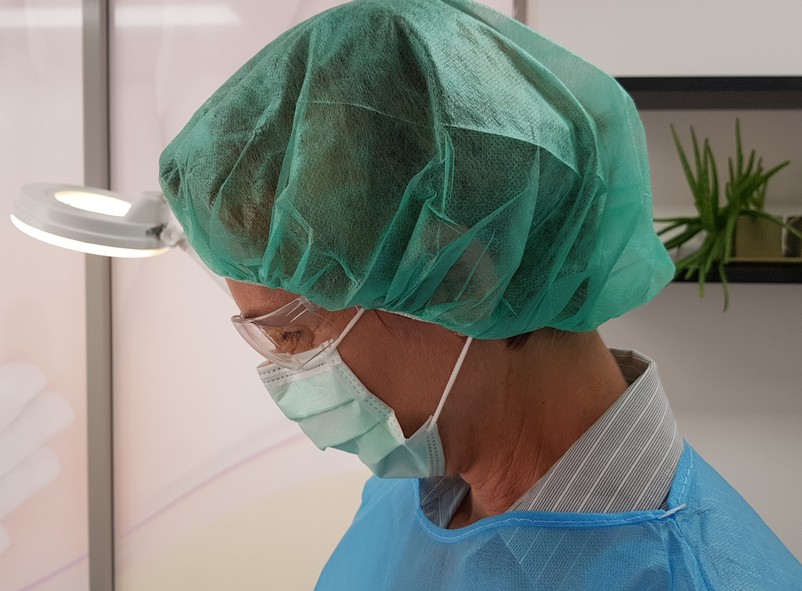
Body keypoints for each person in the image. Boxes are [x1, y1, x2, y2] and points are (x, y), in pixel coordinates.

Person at [158, 0, 802, 588]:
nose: (287, 373)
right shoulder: (418, 493)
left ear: (460, 273)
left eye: (293, 333)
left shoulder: (698, 578)